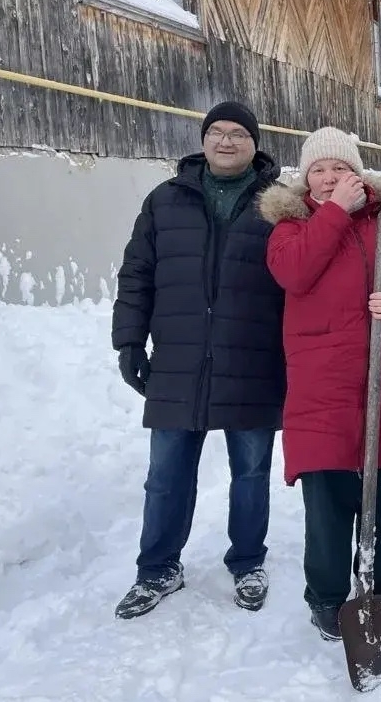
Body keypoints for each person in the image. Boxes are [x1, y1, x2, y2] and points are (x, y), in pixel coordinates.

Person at [256, 126, 381, 641]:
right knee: (328, 500)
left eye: (338, 168)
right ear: (305, 179)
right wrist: (336, 212)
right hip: (325, 390)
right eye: (317, 170)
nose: (328, 178)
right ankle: (326, 596)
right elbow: (295, 274)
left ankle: (378, 582)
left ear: (357, 173)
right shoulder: (290, 229)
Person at [111, 101, 286, 619]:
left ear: (256, 144)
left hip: (253, 358)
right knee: (166, 473)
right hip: (178, 358)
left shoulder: (278, 203)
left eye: (238, 133)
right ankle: (158, 568)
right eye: (216, 132)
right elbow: (136, 273)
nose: (226, 141)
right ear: (203, 140)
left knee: (251, 471)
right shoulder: (166, 200)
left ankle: (248, 561)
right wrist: (127, 342)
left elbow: (301, 282)